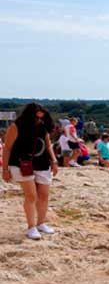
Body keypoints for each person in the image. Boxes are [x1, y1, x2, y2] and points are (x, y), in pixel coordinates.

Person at [2, 102, 60, 240]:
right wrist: (5, 169)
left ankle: (41, 223)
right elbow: (7, 148)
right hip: (21, 164)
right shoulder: (16, 126)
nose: (39, 121)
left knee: (44, 195)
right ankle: (31, 227)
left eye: (41, 118)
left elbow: (48, 145)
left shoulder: (42, 126)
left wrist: (54, 161)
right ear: (29, 116)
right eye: (36, 118)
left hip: (42, 163)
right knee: (31, 195)